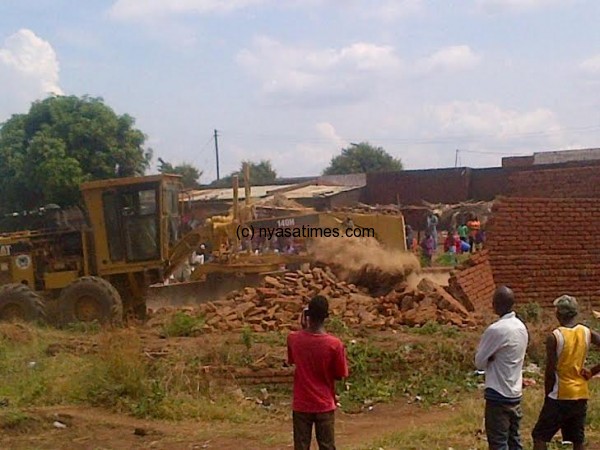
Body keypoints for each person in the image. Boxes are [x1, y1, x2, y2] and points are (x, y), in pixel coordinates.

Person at [531, 295, 600, 450]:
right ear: (575, 313)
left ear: (558, 314)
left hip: (560, 394)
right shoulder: (586, 332)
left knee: (540, 436)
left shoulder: (555, 337)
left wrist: (547, 395)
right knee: (577, 440)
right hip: (581, 394)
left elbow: (550, 371)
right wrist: (592, 371)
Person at [287, 296, 349, 450]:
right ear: (326, 316)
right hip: (324, 404)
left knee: (301, 446)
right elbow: (340, 375)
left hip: (301, 404)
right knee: (327, 446)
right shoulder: (334, 344)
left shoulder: (293, 339)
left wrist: (303, 326)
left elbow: (293, 360)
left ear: (307, 315)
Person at [475, 286, 528, 450]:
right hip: (515, 392)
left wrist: (491, 358)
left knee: (498, 443)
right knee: (514, 441)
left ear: (496, 304)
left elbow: (479, 362)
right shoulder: (521, 327)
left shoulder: (496, 330)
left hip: (498, 394)